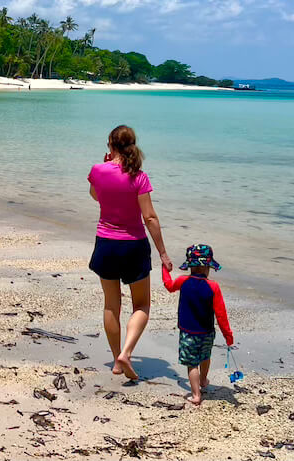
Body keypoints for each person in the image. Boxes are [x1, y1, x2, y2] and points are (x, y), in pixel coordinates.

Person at [88, 124, 172, 380]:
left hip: (106, 243)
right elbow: (150, 217)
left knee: (111, 305)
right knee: (142, 305)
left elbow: (95, 196)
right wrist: (163, 253)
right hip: (134, 245)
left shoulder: (97, 170)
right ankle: (127, 351)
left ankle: (116, 361)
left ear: (110, 145)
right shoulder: (139, 176)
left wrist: (105, 168)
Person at [162, 243, 234, 405]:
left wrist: (164, 270)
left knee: (192, 364)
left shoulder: (182, 281)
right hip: (207, 332)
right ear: (208, 267)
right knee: (205, 356)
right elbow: (221, 314)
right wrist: (228, 335)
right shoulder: (213, 286)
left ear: (190, 267)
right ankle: (203, 380)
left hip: (188, 332)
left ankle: (196, 395)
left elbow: (168, 285)